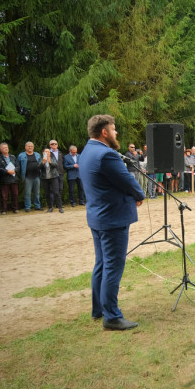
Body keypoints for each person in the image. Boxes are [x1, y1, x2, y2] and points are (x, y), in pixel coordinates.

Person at [79, 114, 145, 331]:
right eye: (114, 130)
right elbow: (127, 180)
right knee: (112, 267)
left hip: (98, 217)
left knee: (101, 264)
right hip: (112, 218)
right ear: (104, 132)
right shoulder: (107, 154)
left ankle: (98, 309)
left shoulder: (88, 150)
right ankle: (112, 317)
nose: (116, 133)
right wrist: (139, 193)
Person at [41, 141, 65, 213]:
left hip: (54, 177)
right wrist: (43, 162)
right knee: (47, 193)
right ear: (43, 153)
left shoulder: (52, 157)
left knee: (56, 192)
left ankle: (60, 207)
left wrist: (50, 161)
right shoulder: (41, 159)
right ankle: (50, 207)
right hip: (45, 178)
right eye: (46, 152)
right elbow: (38, 167)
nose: (47, 153)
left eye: (48, 152)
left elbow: (56, 165)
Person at [18, 141, 41, 212]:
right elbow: (18, 166)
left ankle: (37, 206)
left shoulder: (37, 155)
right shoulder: (21, 155)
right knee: (27, 193)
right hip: (27, 177)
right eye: (28, 146)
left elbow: (41, 164)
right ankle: (27, 207)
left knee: (37, 192)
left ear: (33, 147)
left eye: (31, 146)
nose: (30, 147)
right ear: (25, 147)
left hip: (37, 176)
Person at [0, 142, 20, 214]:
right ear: (1, 150)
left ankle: (15, 209)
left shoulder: (13, 157)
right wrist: (7, 171)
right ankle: (4, 210)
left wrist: (14, 170)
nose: (6, 149)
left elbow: (18, 166)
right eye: (4, 148)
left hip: (13, 179)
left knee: (15, 195)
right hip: (4, 179)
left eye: (7, 147)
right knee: (4, 196)